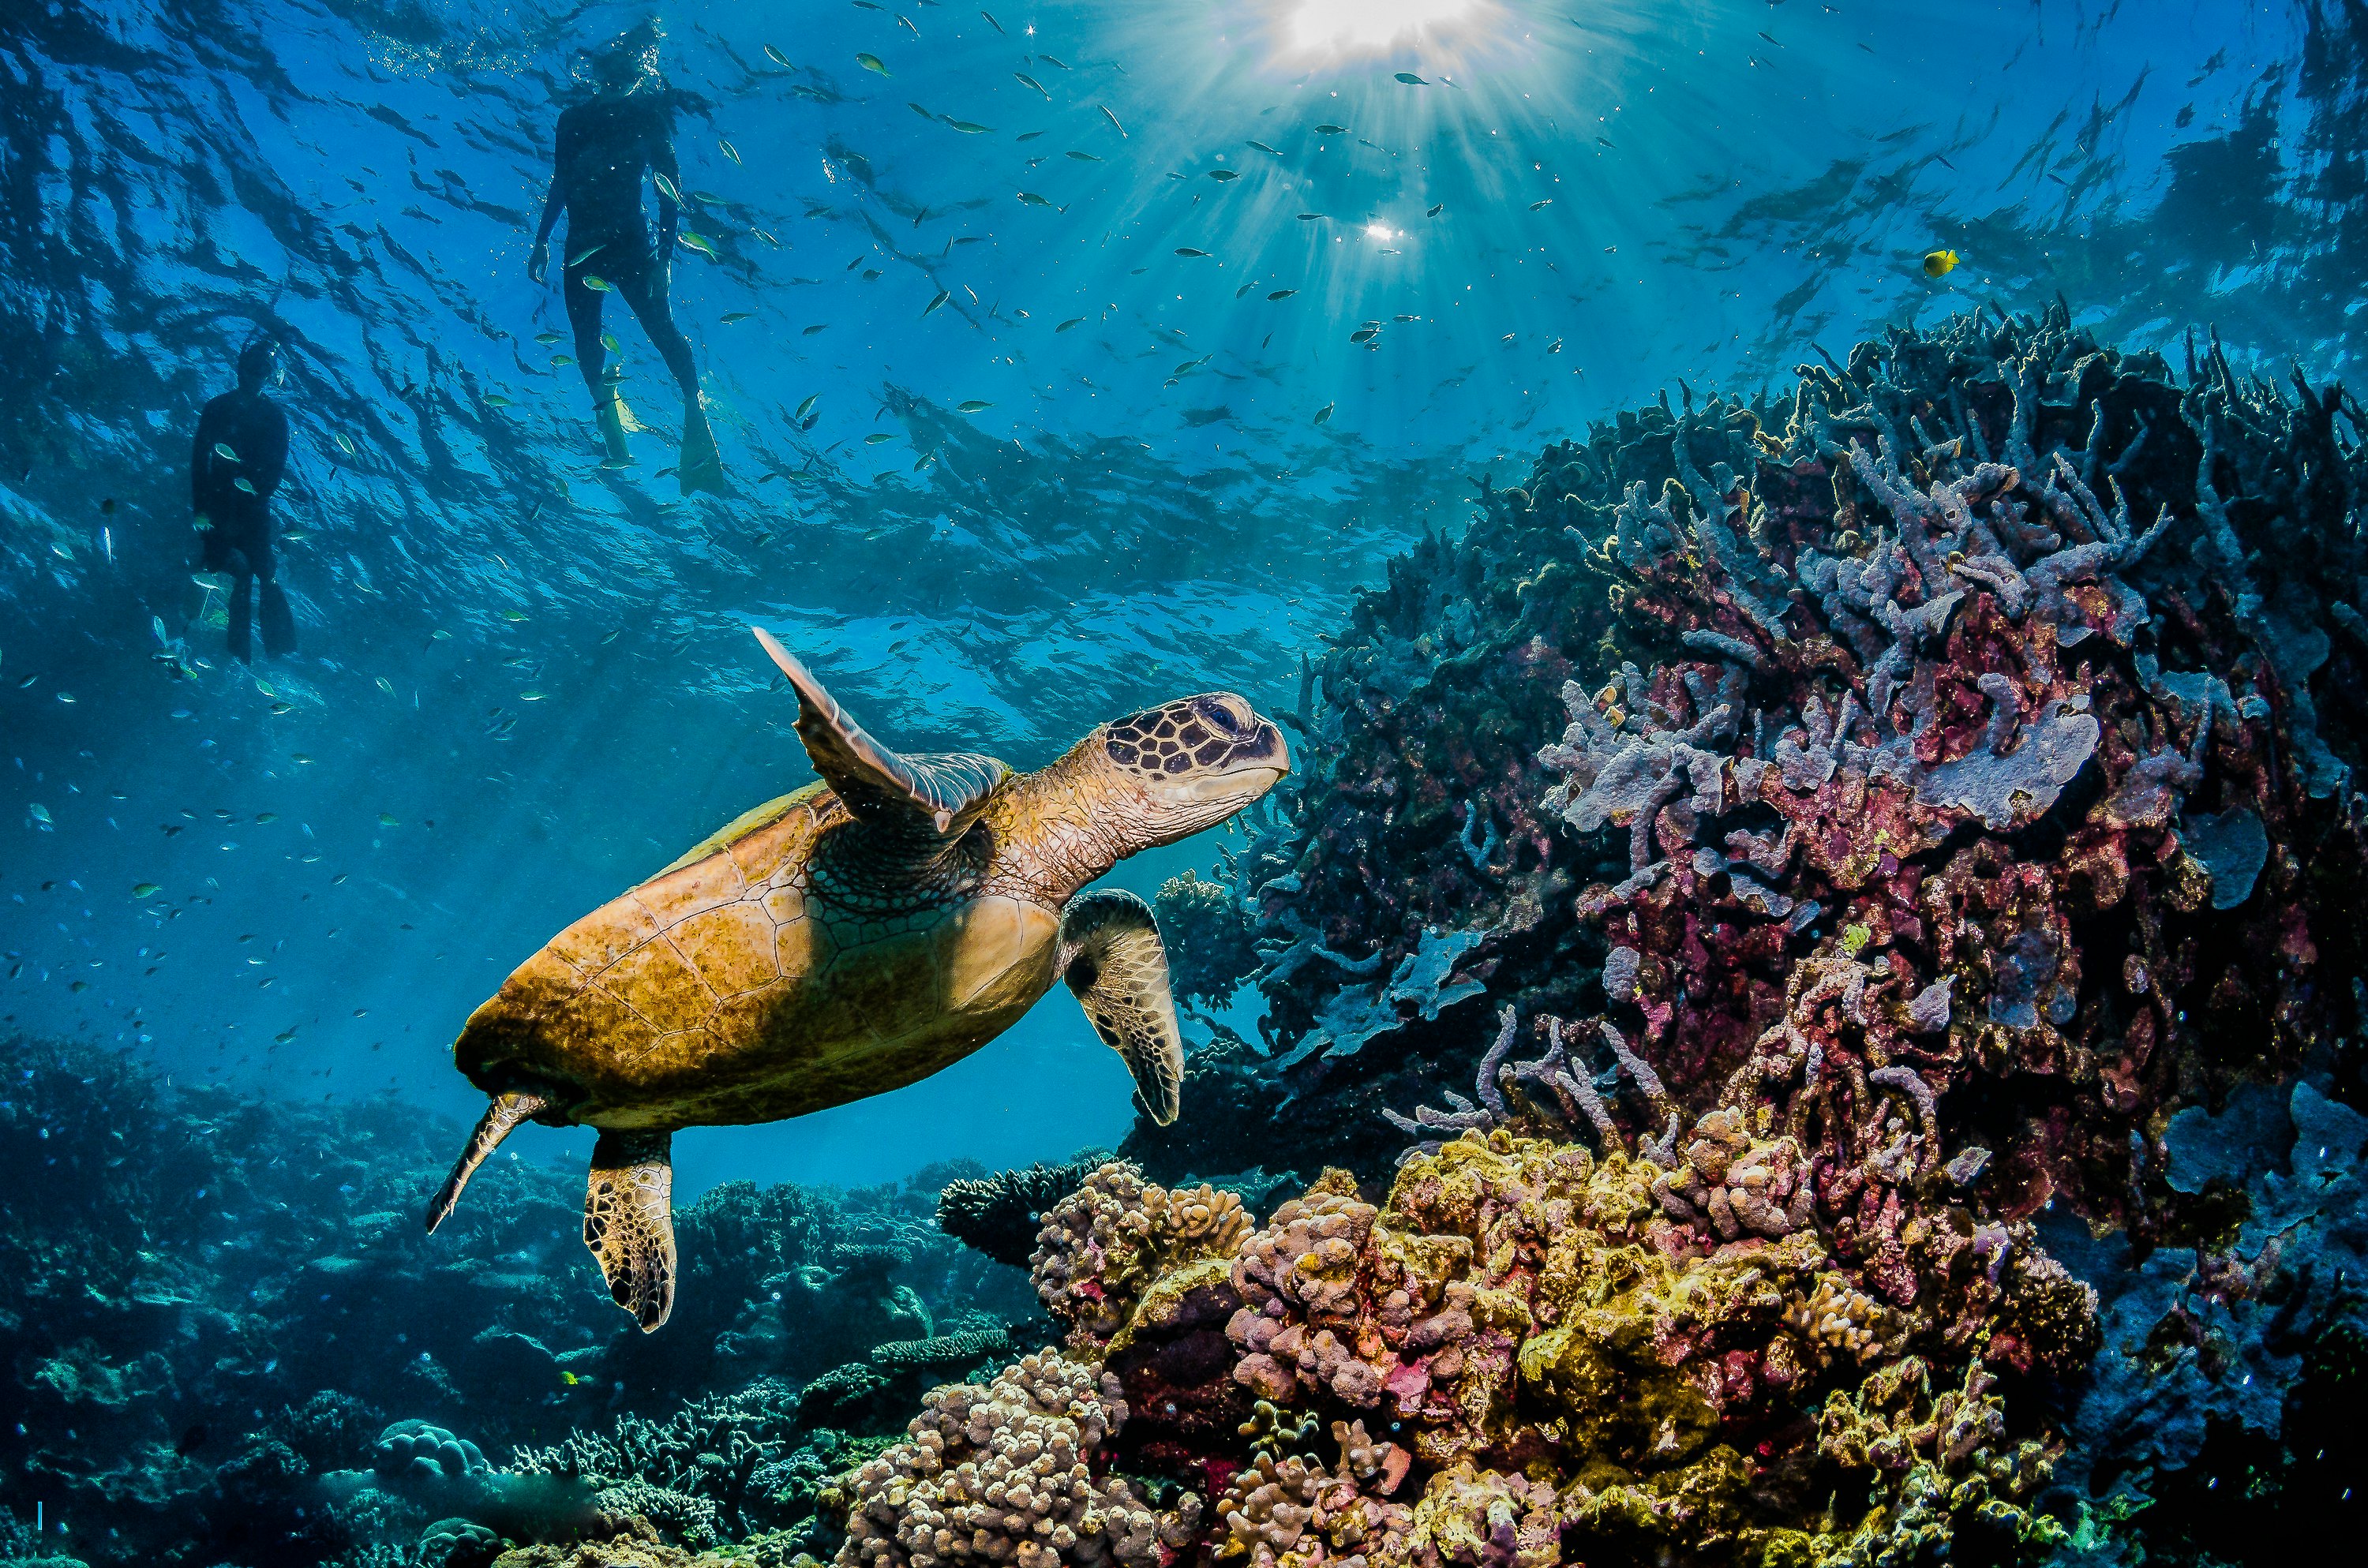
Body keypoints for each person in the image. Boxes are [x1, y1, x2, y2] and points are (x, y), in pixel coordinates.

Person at [530, 19, 725, 496]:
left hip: (632, 245)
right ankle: (612, 423)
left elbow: (669, 191)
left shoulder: (649, 119)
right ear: (602, 75)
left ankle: (693, 407)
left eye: (629, 75)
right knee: (584, 337)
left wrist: (666, 258)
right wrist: (540, 239)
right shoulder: (572, 121)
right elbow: (561, 181)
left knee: (660, 328)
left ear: (639, 78)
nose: (621, 82)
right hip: (581, 246)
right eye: (615, 74)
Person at [190, 335, 296, 662]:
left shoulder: (275, 418)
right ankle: (231, 651)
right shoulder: (217, 408)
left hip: (253, 509)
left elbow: (276, 472)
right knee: (222, 566)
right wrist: (202, 511)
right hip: (216, 504)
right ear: (239, 368)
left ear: (269, 375)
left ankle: (273, 651)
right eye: (251, 367)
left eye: (263, 369)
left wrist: (249, 506)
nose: (254, 375)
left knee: (262, 572)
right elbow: (198, 462)